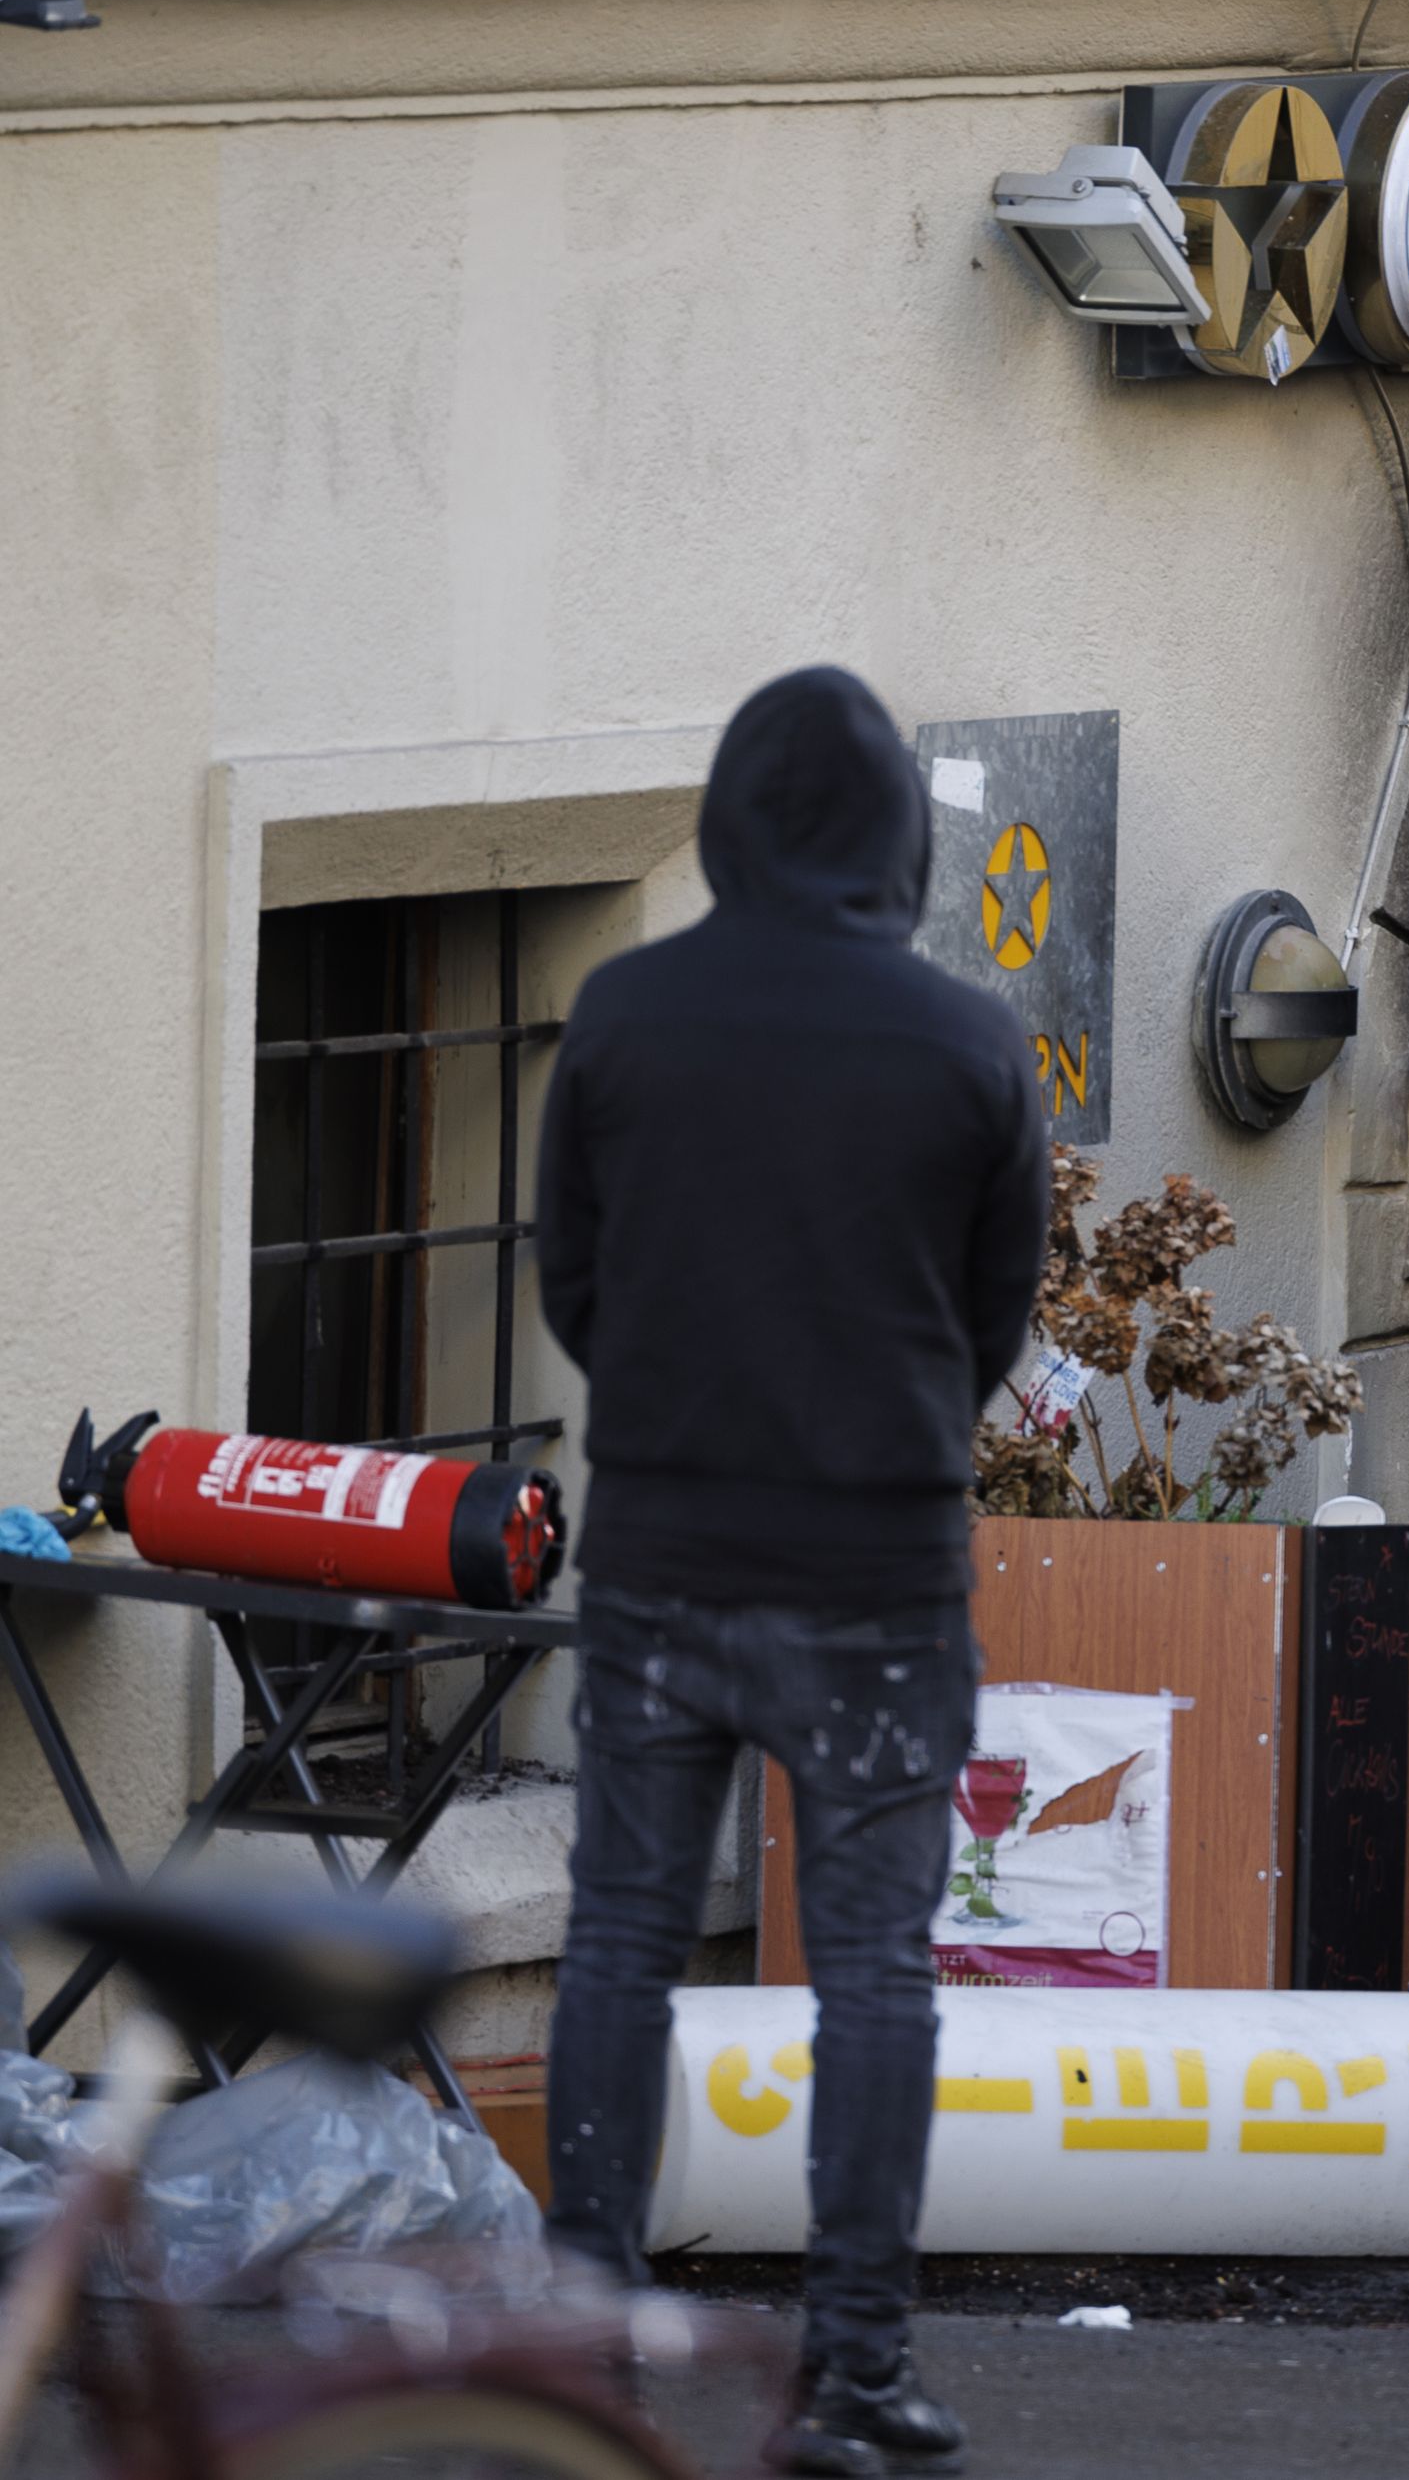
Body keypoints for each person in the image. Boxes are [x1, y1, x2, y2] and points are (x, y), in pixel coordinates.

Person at [536, 667, 1050, 2478]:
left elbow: (571, 1295)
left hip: (665, 1558)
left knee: (616, 1944)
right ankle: (853, 2372)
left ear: (730, 820)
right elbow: (993, 1321)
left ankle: (579, 2345)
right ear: (902, 841)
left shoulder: (619, 1015)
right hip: (880, 1581)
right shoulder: (971, 1047)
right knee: (876, 1977)